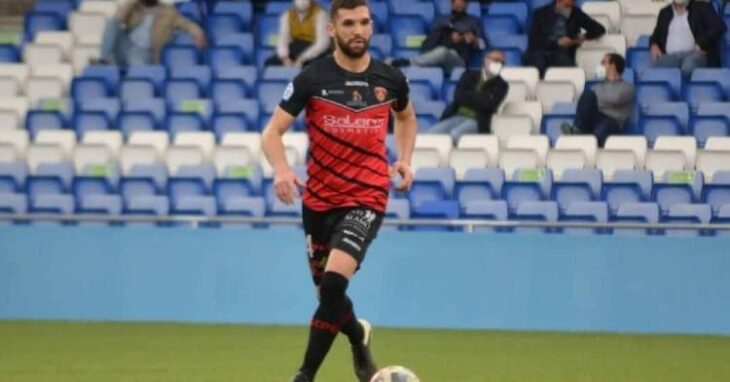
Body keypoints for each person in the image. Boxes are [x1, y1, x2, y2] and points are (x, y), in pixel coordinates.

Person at [261, 0, 417, 381]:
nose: (358, 30)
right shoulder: (311, 79)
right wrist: (282, 170)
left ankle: (304, 375)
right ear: (332, 29)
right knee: (327, 299)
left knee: (334, 283)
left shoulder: (390, 79)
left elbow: (406, 118)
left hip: (367, 196)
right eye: (348, 23)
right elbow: (271, 134)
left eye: (364, 22)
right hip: (318, 200)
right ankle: (357, 334)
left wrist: (405, 158)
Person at [427, 50, 508, 143]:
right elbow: (458, 96)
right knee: (431, 135)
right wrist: (481, 97)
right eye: (496, 60)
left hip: (477, 121)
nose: (498, 64)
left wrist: (470, 95)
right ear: (486, 60)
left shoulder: (502, 85)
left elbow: (489, 104)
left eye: (502, 62)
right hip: (456, 115)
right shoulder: (469, 75)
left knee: (455, 135)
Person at [389, 0, 486, 74]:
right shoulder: (441, 19)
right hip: (435, 53)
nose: (460, 4)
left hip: (458, 59)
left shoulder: (473, 21)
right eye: (456, 2)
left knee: (442, 52)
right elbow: (431, 37)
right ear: (451, 3)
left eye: (463, 2)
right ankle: (402, 65)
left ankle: (407, 62)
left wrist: (472, 39)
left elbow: (483, 44)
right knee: (439, 51)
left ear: (467, 4)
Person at [98, 0, 206, 66]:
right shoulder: (133, 7)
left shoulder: (168, 11)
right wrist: (131, 2)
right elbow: (117, 18)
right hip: (125, 43)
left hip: (145, 51)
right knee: (111, 23)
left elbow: (186, 24)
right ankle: (103, 59)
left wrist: (198, 33)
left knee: (138, 66)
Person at [561, 53, 635, 147]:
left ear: (613, 65)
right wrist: (603, 102)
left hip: (612, 121)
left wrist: (597, 101)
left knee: (600, 132)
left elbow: (616, 98)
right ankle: (578, 131)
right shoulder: (596, 87)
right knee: (588, 95)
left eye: (604, 62)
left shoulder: (627, 87)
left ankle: (579, 136)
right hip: (594, 117)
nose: (601, 65)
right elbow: (587, 99)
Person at [526, 0, 605, 77]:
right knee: (538, 61)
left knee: (563, 61)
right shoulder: (540, 14)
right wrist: (557, 43)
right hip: (542, 53)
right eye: (566, 6)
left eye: (571, 5)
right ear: (558, 1)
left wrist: (584, 36)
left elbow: (599, 28)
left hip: (563, 54)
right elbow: (533, 42)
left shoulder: (576, 13)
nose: (569, 9)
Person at [650, 0, 727, 78]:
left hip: (695, 54)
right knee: (659, 67)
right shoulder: (664, 13)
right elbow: (655, 35)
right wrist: (654, 45)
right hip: (671, 57)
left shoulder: (703, 7)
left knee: (688, 67)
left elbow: (719, 27)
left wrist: (701, 44)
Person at [266, 0, 331, 67]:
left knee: (315, 66)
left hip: (314, 49)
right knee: (270, 62)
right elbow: (283, 39)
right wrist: (285, 58)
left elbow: (322, 44)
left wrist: (303, 59)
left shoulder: (321, 14)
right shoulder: (287, 15)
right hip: (296, 45)